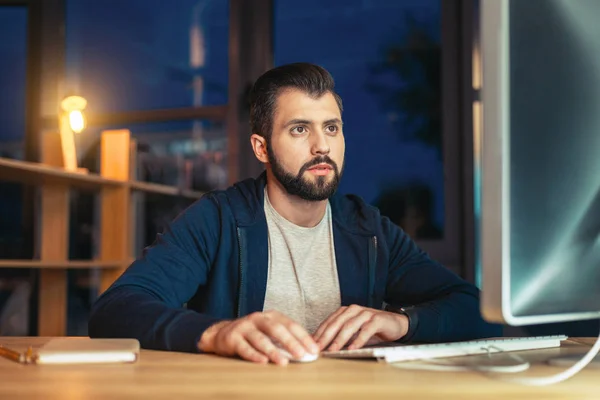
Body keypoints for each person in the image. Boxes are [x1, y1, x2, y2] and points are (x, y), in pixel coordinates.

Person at [88, 62, 501, 365]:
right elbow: (115, 310)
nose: (322, 145)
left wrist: (401, 323)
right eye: (300, 129)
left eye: (332, 128)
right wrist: (216, 334)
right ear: (261, 148)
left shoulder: (368, 228)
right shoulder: (217, 218)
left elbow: (476, 309)